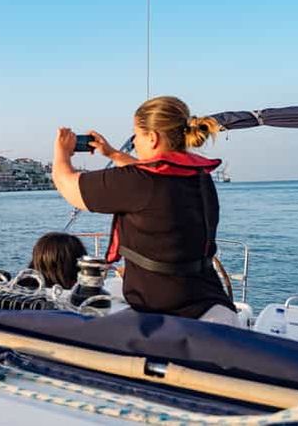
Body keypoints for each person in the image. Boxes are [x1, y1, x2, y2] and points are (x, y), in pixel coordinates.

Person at [51, 96, 237, 323]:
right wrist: (112, 154)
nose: (135, 143)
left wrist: (61, 152)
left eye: (136, 135)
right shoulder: (198, 176)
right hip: (208, 298)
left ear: (152, 137)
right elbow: (155, 174)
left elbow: (67, 184)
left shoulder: (138, 182)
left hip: (163, 307)